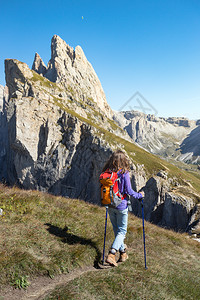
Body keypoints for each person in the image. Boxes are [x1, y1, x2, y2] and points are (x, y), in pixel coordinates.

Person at [102, 150, 145, 267]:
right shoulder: (124, 173)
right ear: (123, 160)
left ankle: (123, 253)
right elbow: (129, 191)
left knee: (117, 230)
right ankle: (111, 254)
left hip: (110, 204)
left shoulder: (107, 171)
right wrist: (140, 195)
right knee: (122, 231)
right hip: (121, 205)